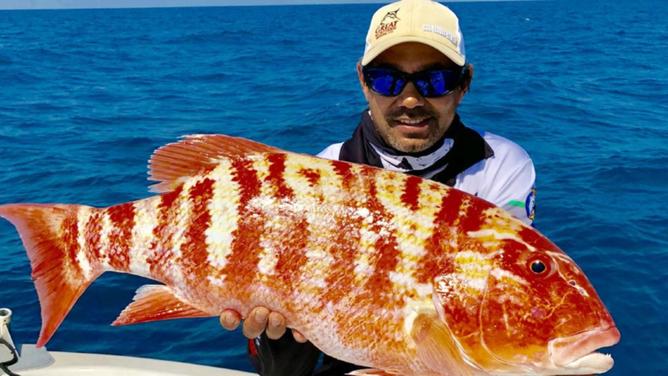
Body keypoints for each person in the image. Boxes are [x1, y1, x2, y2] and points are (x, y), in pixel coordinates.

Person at [219, 0, 536, 374]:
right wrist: (276, 337)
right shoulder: (322, 176)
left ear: (464, 84)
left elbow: (499, 309)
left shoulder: (501, 166)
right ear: (363, 81)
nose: (411, 100)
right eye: (387, 79)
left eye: (436, 80)